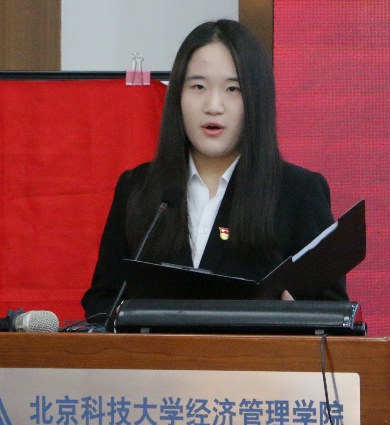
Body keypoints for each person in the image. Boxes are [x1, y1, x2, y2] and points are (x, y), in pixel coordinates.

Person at [81, 19, 349, 323]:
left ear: (256, 99)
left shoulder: (297, 192)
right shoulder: (139, 188)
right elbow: (103, 300)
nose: (213, 106)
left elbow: (334, 316)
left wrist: (299, 316)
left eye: (232, 89)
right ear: (177, 96)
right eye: (198, 87)